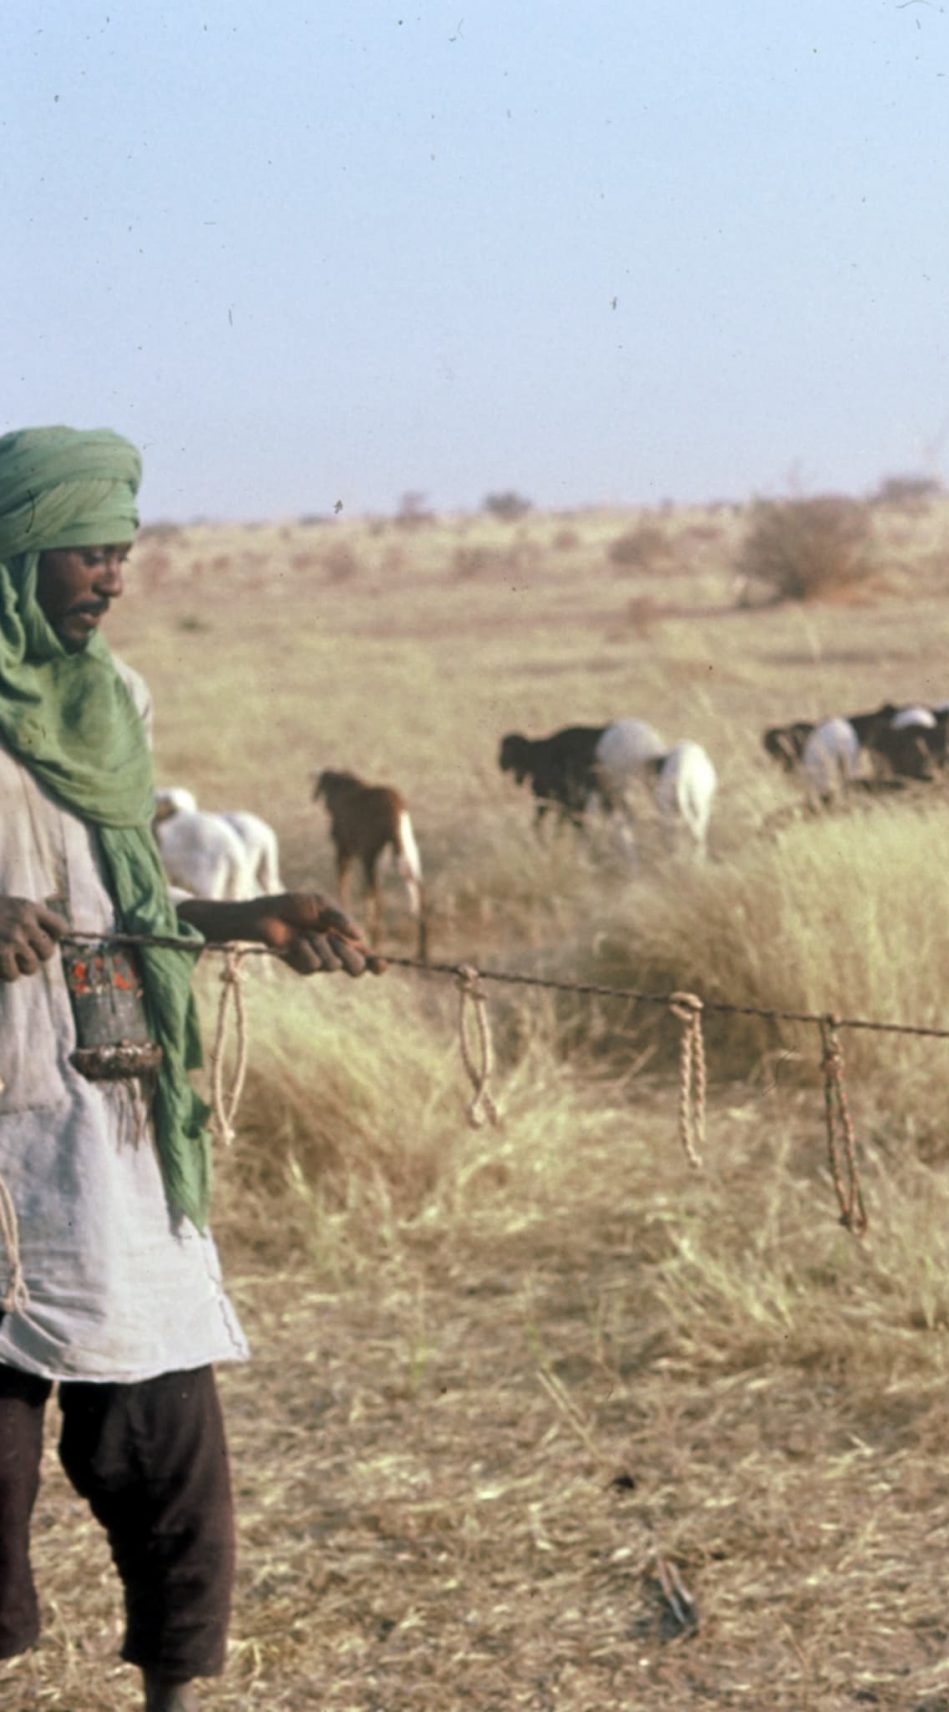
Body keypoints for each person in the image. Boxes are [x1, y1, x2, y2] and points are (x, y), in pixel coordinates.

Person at [0, 427, 379, 1712]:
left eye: (121, 550)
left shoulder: (117, 700)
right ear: (13, 547)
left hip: (108, 1096)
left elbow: (123, 894)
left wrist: (245, 918)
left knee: (165, 1442)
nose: (109, 575)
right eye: (83, 550)